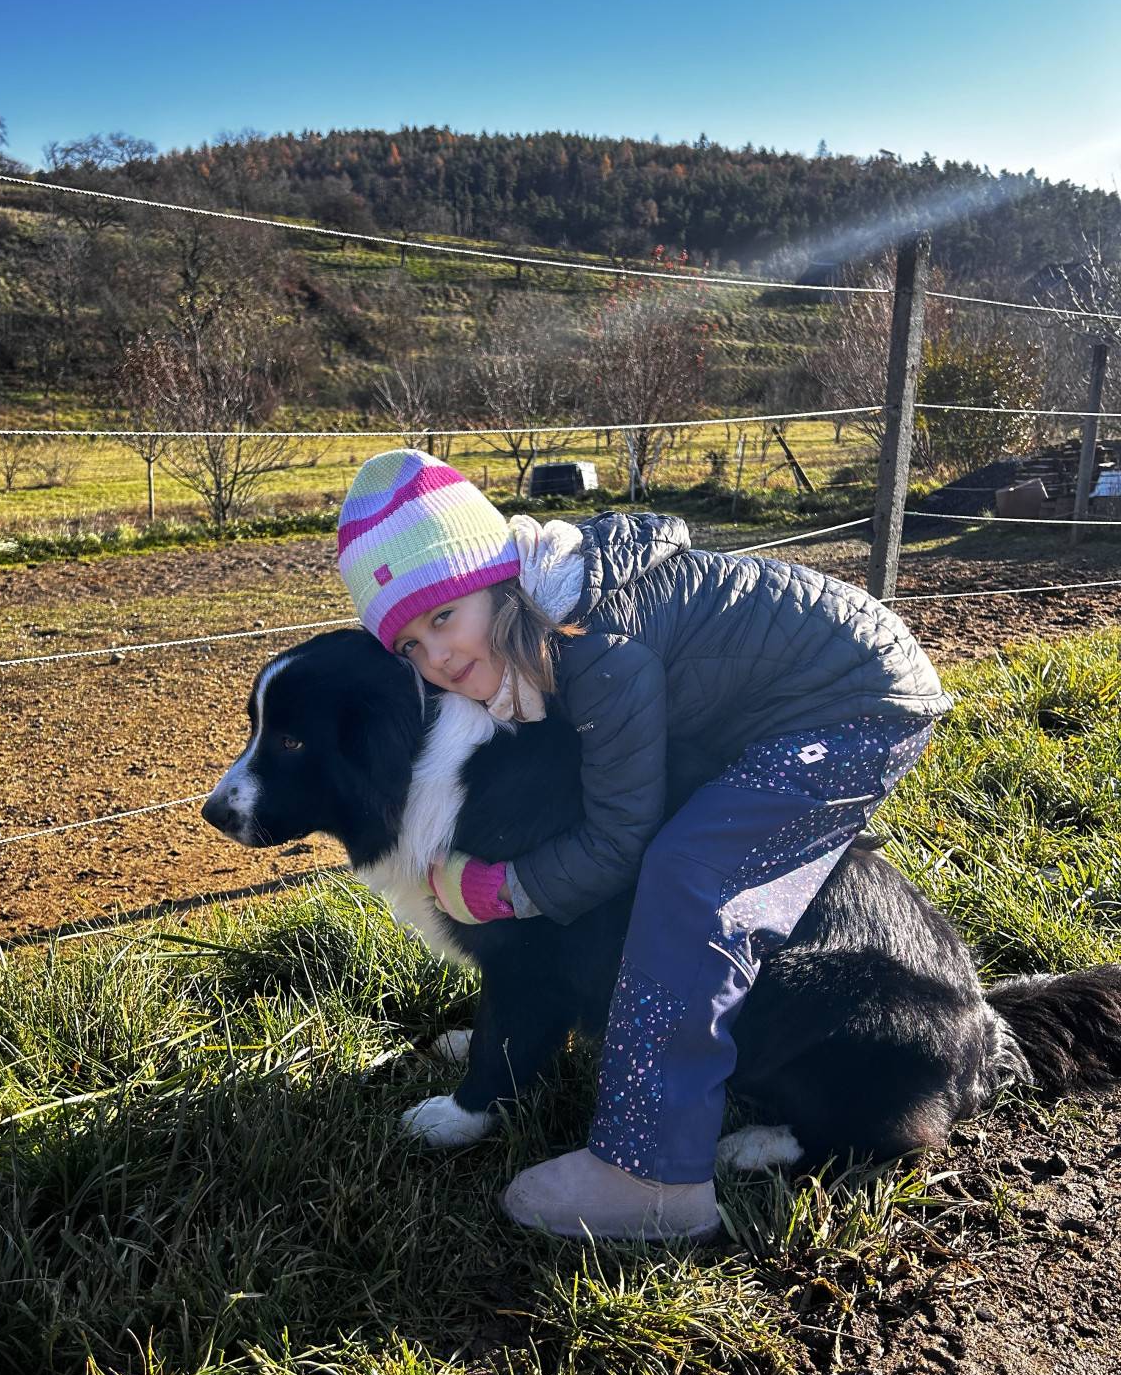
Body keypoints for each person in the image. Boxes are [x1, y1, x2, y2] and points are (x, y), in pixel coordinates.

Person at [336, 448, 952, 1241]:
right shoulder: (547, 621)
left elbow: (619, 835)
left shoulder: (596, 645)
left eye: (444, 616)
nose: (441, 658)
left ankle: (651, 1172)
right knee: (698, 843)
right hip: (812, 694)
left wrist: (510, 889)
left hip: (860, 707)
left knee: (689, 874)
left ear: (497, 579)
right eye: (412, 645)